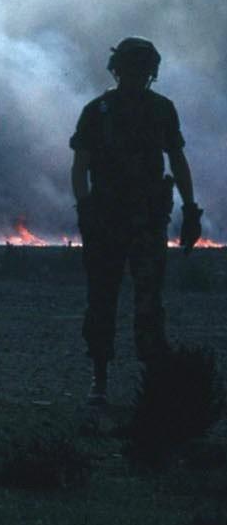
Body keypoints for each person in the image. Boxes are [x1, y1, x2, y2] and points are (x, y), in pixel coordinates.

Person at [70, 36, 203, 406]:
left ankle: (153, 383)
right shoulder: (97, 112)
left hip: (146, 220)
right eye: (131, 68)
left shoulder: (161, 110)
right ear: (118, 70)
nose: (136, 75)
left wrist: (190, 208)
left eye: (142, 69)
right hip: (107, 220)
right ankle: (100, 379)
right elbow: (80, 166)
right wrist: (85, 209)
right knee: (102, 300)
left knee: (148, 303)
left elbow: (177, 160)